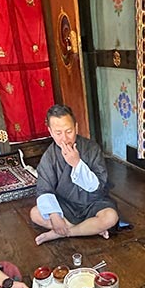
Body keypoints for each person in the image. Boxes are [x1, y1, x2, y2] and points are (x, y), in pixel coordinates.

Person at [30, 104, 119, 244]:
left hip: (92, 202)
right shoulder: (49, 156)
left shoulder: (92, 148)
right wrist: (54, 215)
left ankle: (64, 233)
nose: (65, 138)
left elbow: (98, 186)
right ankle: (88, 229)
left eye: (69, 131)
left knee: (110, 217)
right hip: (65, 204)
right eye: (58, 133)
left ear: (76, 128)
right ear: (50, 132)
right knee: (35, 213)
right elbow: (44, 189)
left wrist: (77, 163)